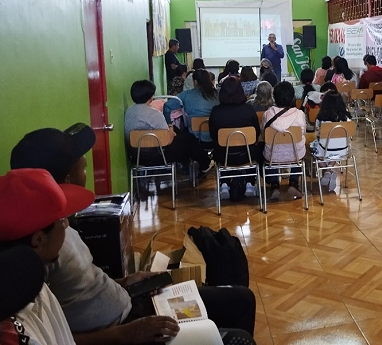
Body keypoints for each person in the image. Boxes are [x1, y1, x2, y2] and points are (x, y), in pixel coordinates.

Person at [10, 124, 257, 344]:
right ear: (66, 179)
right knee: (238, 336)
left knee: (242, 299)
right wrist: (125, 334)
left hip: (131, 301)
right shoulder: (41, 250)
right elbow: (56, 336)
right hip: (124, 328)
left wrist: (126, 282)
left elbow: (81, 288)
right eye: (84, 166)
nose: (87, 171)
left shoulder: (58, 224)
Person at [0, 168, 96, 345]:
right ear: (39, 239)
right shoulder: (15, 331)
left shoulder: (35, 285)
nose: (66, 225)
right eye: (61, 220)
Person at [124, 79, 215, 174]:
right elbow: (168, 140)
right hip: (158, 156)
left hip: (136, 156)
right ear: (151, 96)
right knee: (189, 139)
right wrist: (171, 128)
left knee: (178, 132)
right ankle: (205, 164)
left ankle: (186, 162)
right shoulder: (154, 114)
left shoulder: (129, 111)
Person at [209, 77, 261, 200]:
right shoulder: (249, 109)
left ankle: (224, 184)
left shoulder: (216, 111)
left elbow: (213, 136)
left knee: (223, 150)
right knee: (255, 148)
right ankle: (250, 183)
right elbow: (256, 133)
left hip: (223, 155)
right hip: (247, 154)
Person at [262, 81, 306, 201]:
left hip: (273, 156)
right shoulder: (299, 114)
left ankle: (274, 184)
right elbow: (302, 133)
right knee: (299, 150)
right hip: (295, 155)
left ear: (274, 98)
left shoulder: (268, 114)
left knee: (268, 149)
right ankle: (293, 182)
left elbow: (264, 135)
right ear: (292, 97)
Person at [310, 91, 352, 191]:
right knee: (334, 150)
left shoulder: (321, 119)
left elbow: (318, 135)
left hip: (325, 151)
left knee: (314, 148)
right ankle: (329, 170)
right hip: (343, 151)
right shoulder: (347, 119)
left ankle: (327, 171)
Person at [164, 69, 219, 144]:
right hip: (216, 137)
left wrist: (169, 125)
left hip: (193, 138)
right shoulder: (217, 94)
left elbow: (167, 106)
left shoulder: (186, 94)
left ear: (195, 82)